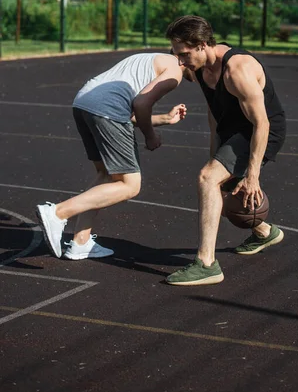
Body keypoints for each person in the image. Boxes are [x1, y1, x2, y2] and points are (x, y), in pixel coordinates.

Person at [165, 16, 286, 285]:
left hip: (261, 130)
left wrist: (252, 175)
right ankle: (264, 231)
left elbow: (262, 123)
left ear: (203, 45)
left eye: (184, 54)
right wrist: (215, 156)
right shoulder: (199, 69)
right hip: (233, 130)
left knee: (208, 179)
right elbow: (214, 115)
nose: (180, 62)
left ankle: (207, 264)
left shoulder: (237, 70)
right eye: (177, 55)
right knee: (217, 187)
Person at [36, 52, 186, 260]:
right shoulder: (176, 70)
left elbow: (126, 114)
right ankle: (58, 213)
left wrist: (165, 119)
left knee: (106, 174)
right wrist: (150, 136)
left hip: (84, 102)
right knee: (130, 185)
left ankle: (81, 241)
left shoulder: (147, 58)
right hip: (107, 107)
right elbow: (139, 105)